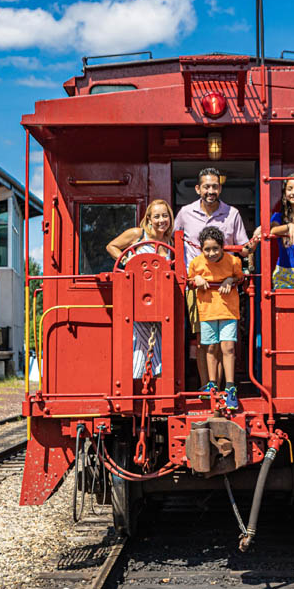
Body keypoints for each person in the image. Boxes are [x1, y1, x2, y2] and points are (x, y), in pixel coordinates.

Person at [174, 168, 259, 387]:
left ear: (220, 188)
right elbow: (173, 244)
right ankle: (207, 387)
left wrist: (258, 238)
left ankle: (221, 389)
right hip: (197, 286)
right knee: (204, 342)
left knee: (224, 342)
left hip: (224, 286)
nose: (210, 191)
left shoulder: (232, 214)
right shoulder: (185, 213)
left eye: (214, 186)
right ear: (198, 189)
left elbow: (243, 249)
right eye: (206, 186)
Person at [106, 199, 174, 377]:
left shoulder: (170, 242)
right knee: (147, 340)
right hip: (137, 298)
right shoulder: (138, 234)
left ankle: (145, 381)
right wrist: (128, 262)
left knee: (150, 343)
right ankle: (149, 377)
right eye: (157, 216)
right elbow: (111, 246)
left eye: (165, 216)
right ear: (149, 219)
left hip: (161, 301)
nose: (161, 220)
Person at [187, 226, 244, 410]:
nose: (211, 253)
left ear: (222, 247)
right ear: (201, 249)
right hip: (207, 310)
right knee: (210, 348)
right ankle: (212, 385)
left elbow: (240, 278)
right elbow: (189, 280)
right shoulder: (196, 263)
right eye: (207, 249)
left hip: (228, 310)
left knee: (228, 347)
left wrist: (230, 280)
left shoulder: (233, 262)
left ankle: (230, 387)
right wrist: (196, 279)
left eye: (215, 249)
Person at [251, 176, 294, 289]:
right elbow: (273, 230)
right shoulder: (279, 216)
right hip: (283, 274)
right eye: (290, 189)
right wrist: (289, 226)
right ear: (285, 193)